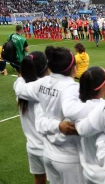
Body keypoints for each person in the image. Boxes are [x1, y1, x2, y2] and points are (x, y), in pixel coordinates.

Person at [13, 46, 86, 184]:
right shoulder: (74, 89)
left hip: (47, 152)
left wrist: (20, 77)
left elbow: (19, 88)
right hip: (68, 156)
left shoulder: (39, 85)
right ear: (73, 68)